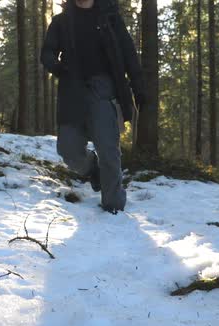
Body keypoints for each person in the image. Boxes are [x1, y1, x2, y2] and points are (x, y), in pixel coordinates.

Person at [40, 0, 144, 214]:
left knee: (108, 149)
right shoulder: (61, 22)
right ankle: (93, 170)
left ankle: (113, 204)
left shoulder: (111, 19)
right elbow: (47, 52)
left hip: (104, 88)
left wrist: (138, 87)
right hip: (72, 91)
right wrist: (58, 67)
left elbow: (129, 55)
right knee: (68, 149)